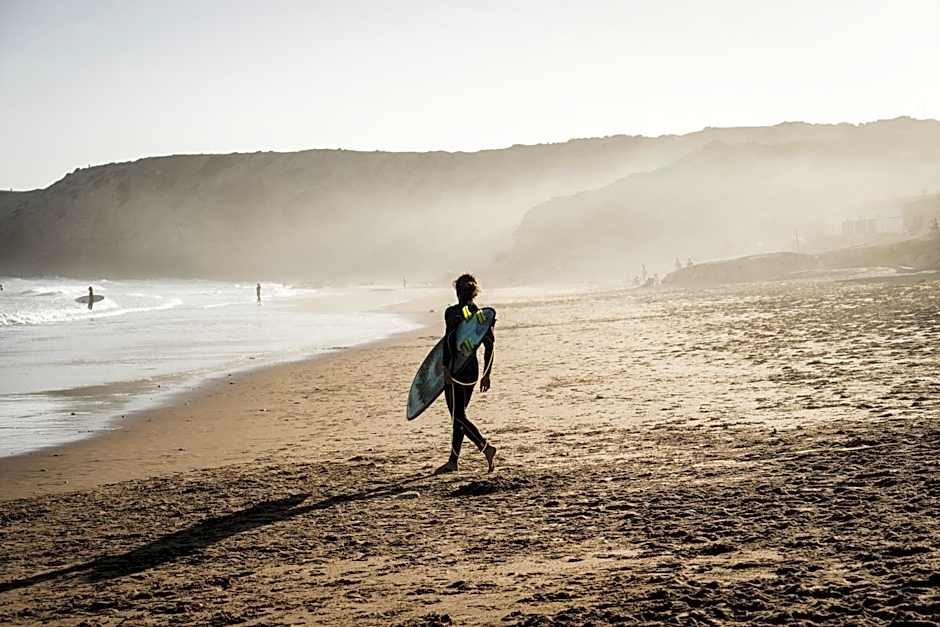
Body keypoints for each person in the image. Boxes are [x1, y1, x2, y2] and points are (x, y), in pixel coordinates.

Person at [435, 273, 497, 475]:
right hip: (471, 371)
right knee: (459, 416)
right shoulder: (481, 317)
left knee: (458, 416)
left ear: (457, 291)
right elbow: (490, 347)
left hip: (454, 369)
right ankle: (453, 461)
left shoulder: (451, 313)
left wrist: (444, 369)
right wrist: (486, 374)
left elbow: (448, 343)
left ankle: (485, 447)